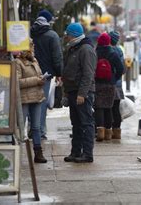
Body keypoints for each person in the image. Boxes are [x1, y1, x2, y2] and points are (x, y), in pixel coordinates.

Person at [62, 23, 97, 163]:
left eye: (68, 34)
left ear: (74, 34)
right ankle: (75, 152)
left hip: (82, 92)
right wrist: (66, 92)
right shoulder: (73, 48)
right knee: (76, 123)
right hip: (72, 91)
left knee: (86, 123)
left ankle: (87, 154)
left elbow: (88, 74)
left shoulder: (86, 49)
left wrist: (82, 94)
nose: (66, 37)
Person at [31, 9, 63, 140]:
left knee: (30, 100)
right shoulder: (52, 36)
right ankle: (40, 130)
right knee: (42, 103)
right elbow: (57, 57)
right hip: (45, 75)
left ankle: (30, 129)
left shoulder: (30, 33)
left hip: (29, 73)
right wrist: (59, 73)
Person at [15, 41, 47, 163]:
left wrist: (42, 79)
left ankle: (38, 153)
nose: (34, 47)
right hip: (24, 98)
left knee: (36, 127)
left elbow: (38, 75)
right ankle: (17, 152)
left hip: (37, 97)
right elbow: (17, 82)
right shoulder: (18, 62)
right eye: (32, 45)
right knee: (21, 127)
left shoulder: (34, 60)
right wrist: (36, 80)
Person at [94, 32, 124, 141]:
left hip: (97, 83)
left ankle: (100, 133)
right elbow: (121, 69)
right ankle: (108, 133)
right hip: (110, 84)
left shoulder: (95, 52)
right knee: (108, 108)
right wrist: (114, 78)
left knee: (99, 107)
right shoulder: (113, 53)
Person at [109, 31, 125, 140]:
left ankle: (107, 131)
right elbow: (122, 69)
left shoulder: (108, 50)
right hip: (118, 84)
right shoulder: (119, 50)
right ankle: (117, 132)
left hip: (108, 82)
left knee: (108, 108)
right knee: (116, 108)